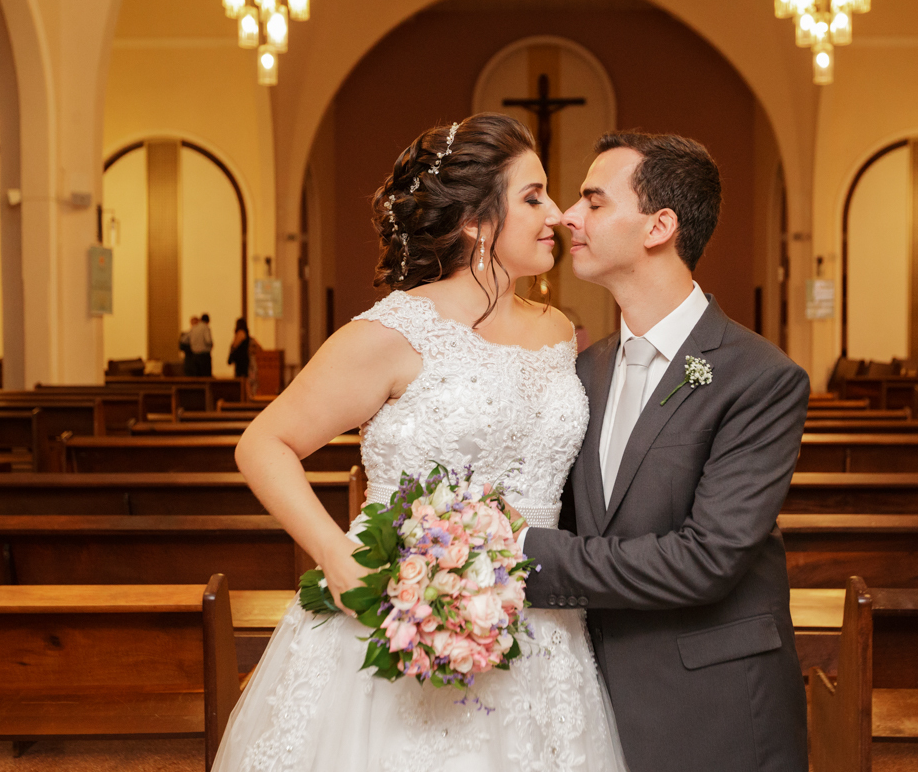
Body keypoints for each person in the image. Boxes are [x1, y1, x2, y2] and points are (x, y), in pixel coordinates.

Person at [212, 114, 626, 771]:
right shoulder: (392, 333)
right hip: (402, 608)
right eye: (533, 197)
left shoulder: (556, 330)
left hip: (539, 620)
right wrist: (333, 553)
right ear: (477, 222)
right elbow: (264, 443)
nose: (556, 214)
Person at [521, 133, 811, 771]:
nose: (568, 216)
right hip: (589, 699)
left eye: (594, 201)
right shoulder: (581, 371)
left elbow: (707, 559)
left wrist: (524, 555)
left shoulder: (760, 377)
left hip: (713, 708)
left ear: (659, 226)